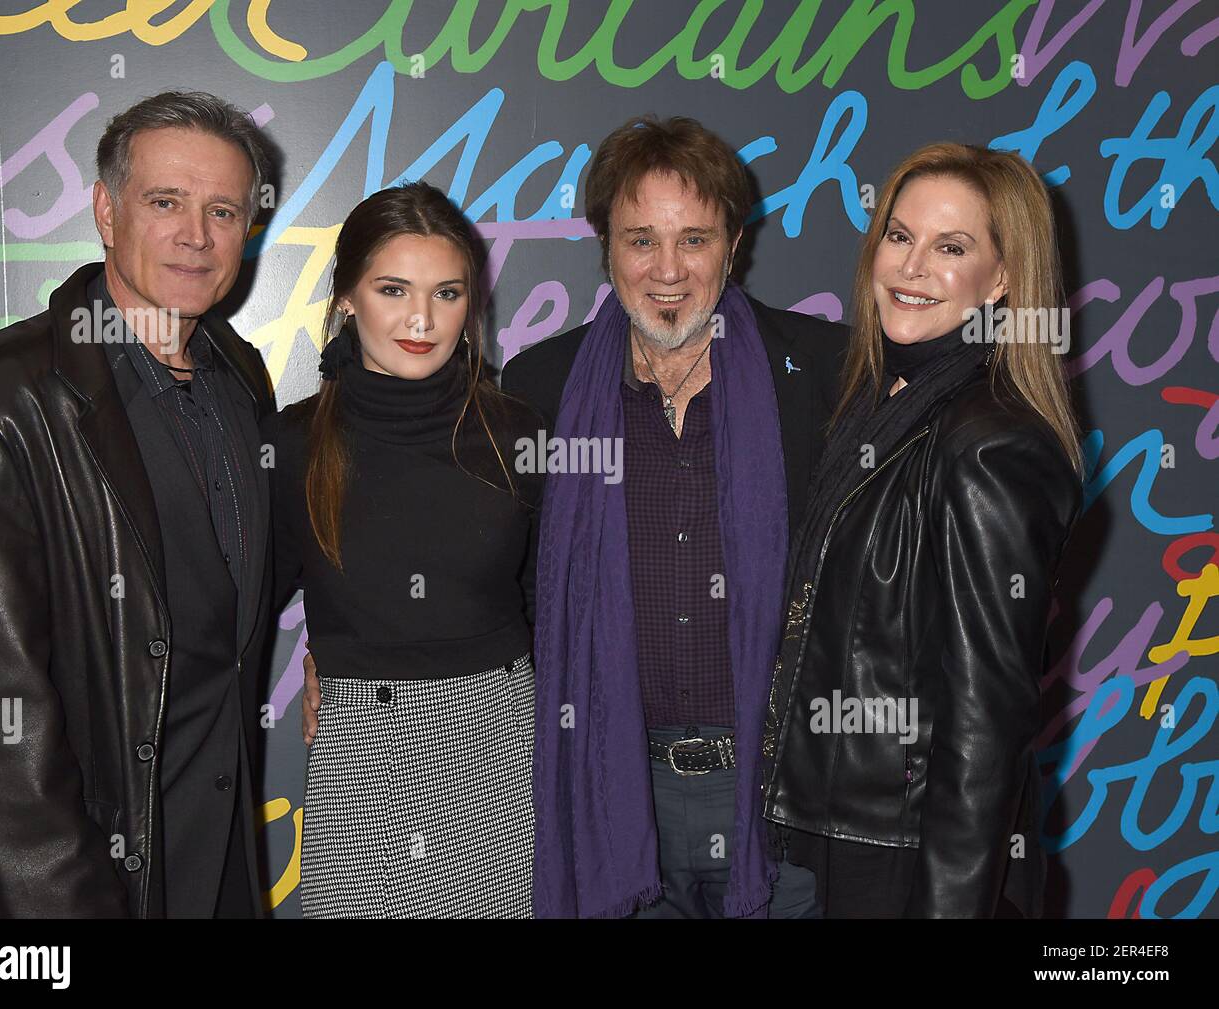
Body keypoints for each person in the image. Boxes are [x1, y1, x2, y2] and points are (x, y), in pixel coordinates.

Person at [0, 92, 275, 917]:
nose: (197, 234)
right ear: (106, 211)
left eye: (222, 209)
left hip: (222, 869)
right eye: (165, 202)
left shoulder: (240, 377)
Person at [500, 115, 846, 918]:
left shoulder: (822, 372)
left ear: (732, 245)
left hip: (781, 795)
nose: (666, 270)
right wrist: (345, 648)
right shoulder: (540, 384)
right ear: (605, 247)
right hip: (616, 787)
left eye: (693, 239)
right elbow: (499, 573)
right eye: (639, 240)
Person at [760, 143, 1084, 918]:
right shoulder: (880, 406)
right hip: (832, 838)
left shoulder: (990, 442)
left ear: (1003, 278)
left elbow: (986, 726)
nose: (910, 267)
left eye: (951, 247)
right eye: (899, 237)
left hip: (902, 863)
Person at [265, 182, 543, 918]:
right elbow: (227, 615)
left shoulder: (519, 435)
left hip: (498, 749)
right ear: (348, 297)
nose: (421, 318)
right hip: (359, 752)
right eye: (393, 289)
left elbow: (562, 602)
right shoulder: (292, 443)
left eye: (447, 292)